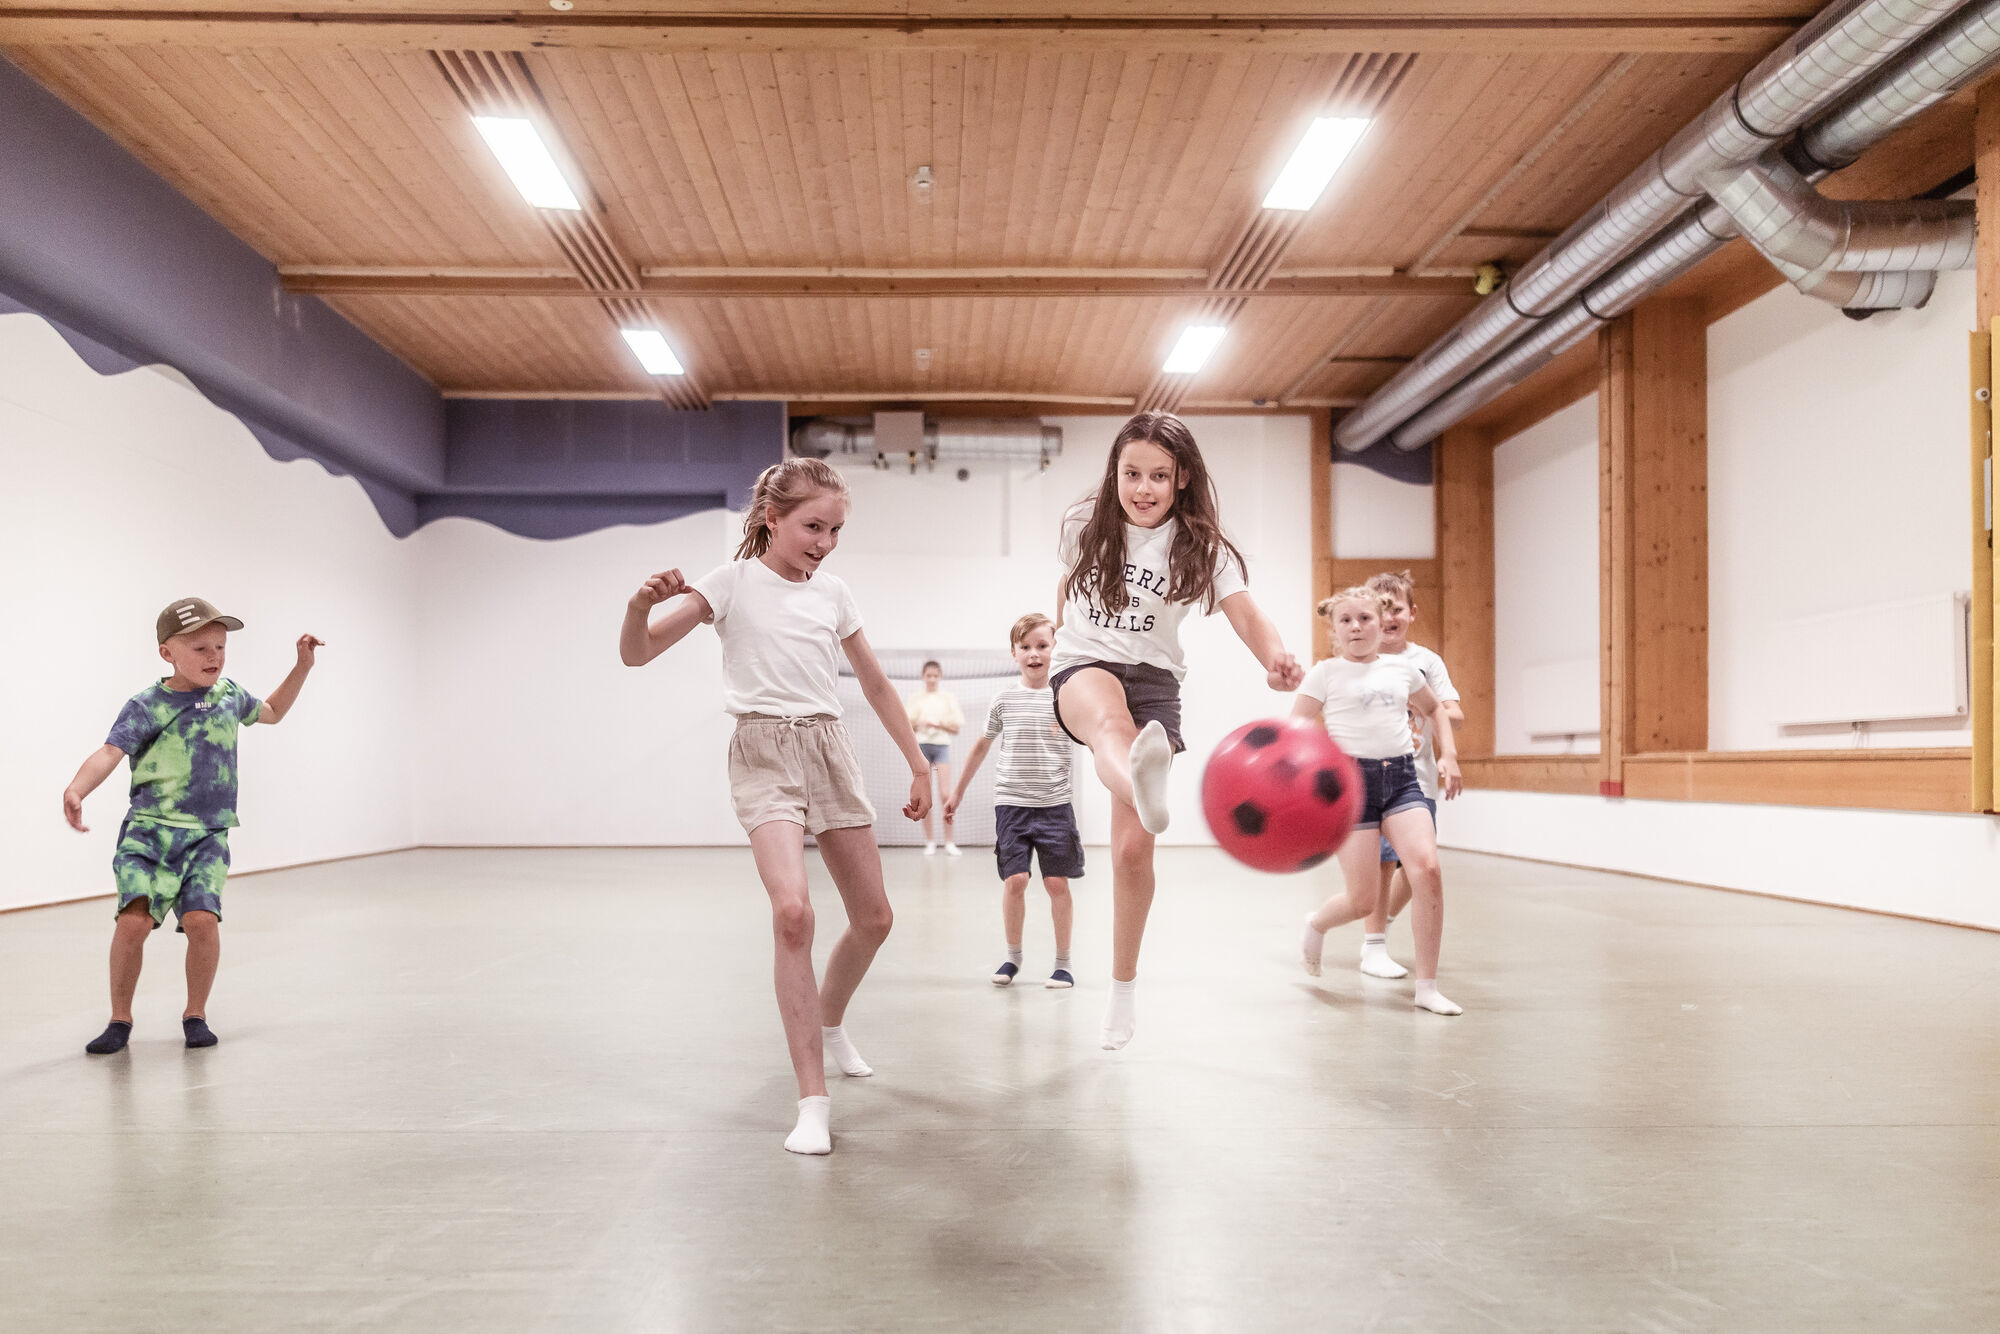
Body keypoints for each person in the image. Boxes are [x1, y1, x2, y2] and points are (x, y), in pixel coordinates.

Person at [619, 456, 930, 1156]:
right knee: (793, 913)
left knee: (875, 918)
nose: (825, 542)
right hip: (762, 751)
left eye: (836, 530)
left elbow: (876, 685)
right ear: (772, 519)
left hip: (829, 748)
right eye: (813, 527)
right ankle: (812, 1102)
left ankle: (829, 1020)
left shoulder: (835, 594)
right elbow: (638, 654)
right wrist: (640, 607)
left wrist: (918, 764)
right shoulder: (730, 582)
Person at [1050, 411, 1302, 1050]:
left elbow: (1247, 615)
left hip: (1156, 682)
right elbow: (1066, 590)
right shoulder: (1084, 524)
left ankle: (1122, 989)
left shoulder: (1201, 546)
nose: (1143, 488)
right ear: (1115, 473)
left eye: (1159, 476)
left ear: (1182, 478)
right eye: (1131, 473)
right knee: (1111, 726)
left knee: (1133, 853)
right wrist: (1056, 647)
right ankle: (1142, 777)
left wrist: (1274, 659)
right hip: (1084, 666)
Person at [63, 598, 323, 1055]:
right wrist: (77, 789)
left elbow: (272, 711)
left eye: (220, 647)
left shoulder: (229, 696)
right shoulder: (147, 705)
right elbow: (109, 752)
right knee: (134, 922)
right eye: (201, 648)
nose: (214, 657)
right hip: (149, 832)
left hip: (207, 834)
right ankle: (120, 1019)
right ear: (168, 653)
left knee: (202, 921)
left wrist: (301, 667)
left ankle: (195, 1014)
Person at [1295, 586, 1464, 1016]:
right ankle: (1317, 924)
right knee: (1363, 901)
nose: (1356, 627)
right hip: (1352, 787)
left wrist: (1447, 755)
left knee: (1427, 870)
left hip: (1402, 779)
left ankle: (1427, 987)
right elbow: (1295, 728)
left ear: (1380, 621)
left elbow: (1436, 710)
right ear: (1334, 630)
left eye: (1365, 618)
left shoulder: (1403, 670)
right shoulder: (1325, 674)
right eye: (1346, 620)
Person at [945, 613, 1081, 990]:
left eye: (1042, 645)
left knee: (1057, 883)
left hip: (1055, 805)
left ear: (1055, 649)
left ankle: (1063, 963)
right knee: (1016, 879)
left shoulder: (1066, 698)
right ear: (1014, 653)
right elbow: (981, 745)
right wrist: (957, 791)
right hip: (1012, 804)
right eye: (1025, 647)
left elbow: (1095, 737)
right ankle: (1013, 957)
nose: (1034, 653)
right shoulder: (1004, 698)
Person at [1357, 570, 1464, 980]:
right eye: (1379, 610)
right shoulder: (1360, 660)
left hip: (1417, 776)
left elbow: (1452, 712)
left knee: (1420, 863)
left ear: (1412, 613)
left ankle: (1381, 924)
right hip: (1374, 775)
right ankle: (1373, 945)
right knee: (1383, 862)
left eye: (1396, 609)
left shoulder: (1425, 662)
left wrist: (1445, 749)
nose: (1389, 618)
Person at [905, 660, 964, 856]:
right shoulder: (916, 698)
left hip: (941, 747)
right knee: (925, 795)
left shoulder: (947, 698)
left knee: (945, 794)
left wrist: (938, 725)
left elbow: (955, 728)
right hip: (921, 747)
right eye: (928, 675)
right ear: (923, 676)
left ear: (940, 677)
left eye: (935, 676)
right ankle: (930, 842)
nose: (931, 679)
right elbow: (906, 726)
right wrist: (919, 723)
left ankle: (949, 842)